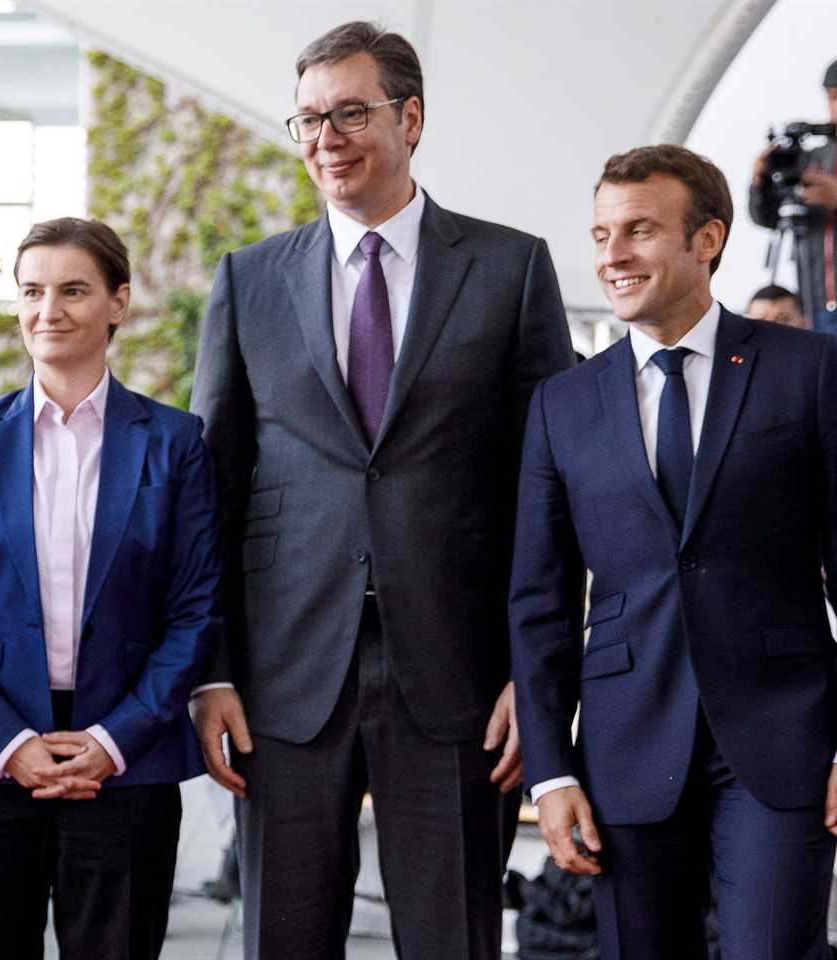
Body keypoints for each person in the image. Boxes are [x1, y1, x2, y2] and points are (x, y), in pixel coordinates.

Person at [188, 20, 574, 959]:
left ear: (410, 119)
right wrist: (214, 667)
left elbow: (548, 492)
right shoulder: (248, 280)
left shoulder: (511, 269)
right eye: (309, 119)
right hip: (286, 675)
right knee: (283, 938)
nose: (327, 137)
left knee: (454, 940)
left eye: (351, 112)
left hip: (458, 677)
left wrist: (537, 673)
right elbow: (214, 492)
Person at [510, 144, 837, 959]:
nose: (613, 256)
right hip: (626, 747)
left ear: (707, 240)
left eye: (639, 231)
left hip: (781, 739)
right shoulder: (563, 403)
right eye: (600, 236)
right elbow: (539, 603)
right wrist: (551, 771)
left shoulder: (807, 370)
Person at [0, 217, 220, 960]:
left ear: (118, 301)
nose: (47, 310)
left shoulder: (176, 442)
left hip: (125, 765)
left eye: (73, 290)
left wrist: (115, 741)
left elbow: (194, 611)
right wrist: (9, 741)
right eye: (31, 291)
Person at [749, 56, 837, 346]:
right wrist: (759, 184)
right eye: (835, 98)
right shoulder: (813, 158)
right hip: (814, 304)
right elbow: (768, 218)